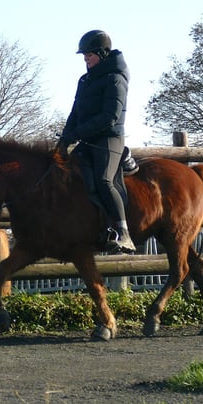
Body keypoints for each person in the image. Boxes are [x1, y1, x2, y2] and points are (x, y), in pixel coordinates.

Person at [57, 29, 136, 254]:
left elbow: (110, 116)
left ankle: (124, 233)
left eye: (89, 55)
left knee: (104, 180)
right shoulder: (85, 80)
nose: (86, 59)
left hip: (110, 137)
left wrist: (78, 133)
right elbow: (75, 112)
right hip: (89, 139)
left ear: (102, 54)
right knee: (69, 173)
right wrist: (65, 138)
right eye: (84, 55)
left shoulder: (116, 78)